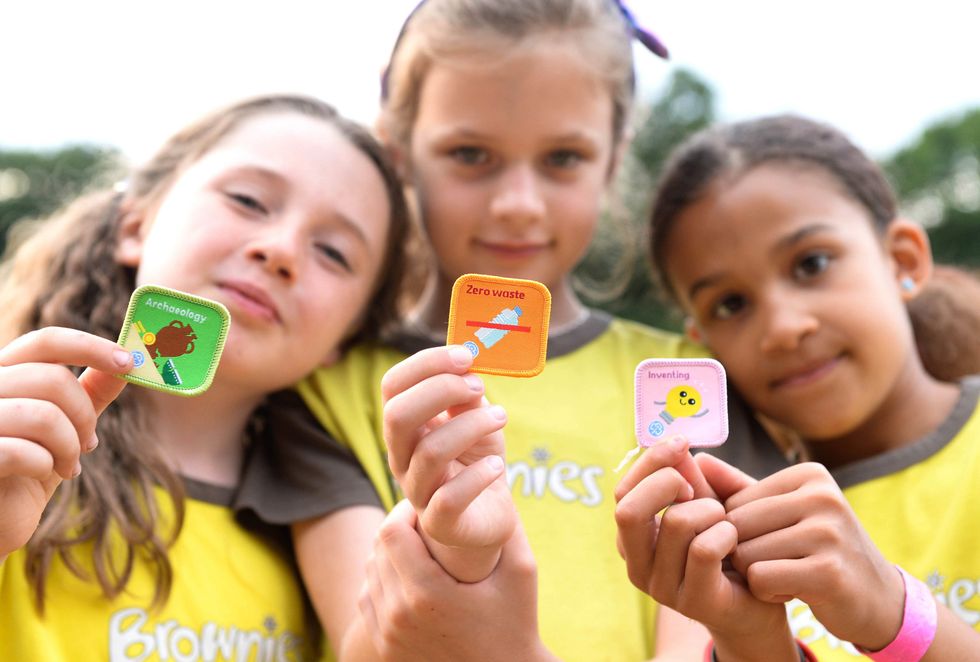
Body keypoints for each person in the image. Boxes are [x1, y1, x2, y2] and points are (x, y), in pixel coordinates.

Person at [231, 2, 787, 660]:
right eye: (471, 154)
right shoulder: (326, 386)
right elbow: (369, 647)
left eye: (563, 158)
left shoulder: (685, 381)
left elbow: (726, 633)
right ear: (398, 150)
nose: (518, 203)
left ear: (613, 159)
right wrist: (453, 556)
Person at [0, 94, 412, 660]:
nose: (281, 249)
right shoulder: (12, 444)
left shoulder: (348, 524)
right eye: (248, 200)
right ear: (136, 225)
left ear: (345, 341)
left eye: (335, 253)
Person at [615, 114, 980, 661]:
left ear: (902, 259)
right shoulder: (713, 530)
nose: (784, 328)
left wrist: (895, 613)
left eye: (812, 264)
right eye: (730, 305)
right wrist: (748, 638)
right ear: (703, 343)